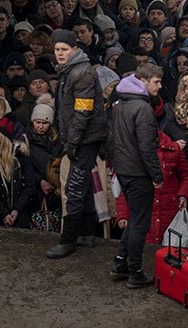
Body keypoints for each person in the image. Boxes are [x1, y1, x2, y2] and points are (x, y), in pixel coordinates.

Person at [48, 27, 108, 258]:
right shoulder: (71, 70)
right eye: (57, 49)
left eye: (64, 49)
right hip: (83, 136)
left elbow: (83, 112)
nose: (60, 53)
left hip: (84, 138)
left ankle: (68, 240)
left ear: (74, 49)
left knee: (74, 186)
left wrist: (71, 142)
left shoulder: (80, 72)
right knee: (81, 183)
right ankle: (86, 232)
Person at [108, 63, 164, 288]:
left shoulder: (120, 103)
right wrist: (157, 175)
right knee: (140, 223)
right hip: (139, 172)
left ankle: (120, 264)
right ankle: (135, 272)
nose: (159, 86)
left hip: (123, 169)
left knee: (134, 220)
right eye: (156, 82)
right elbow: (147, 147)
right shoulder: (142, 108)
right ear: (143, 80)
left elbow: (111, 139)